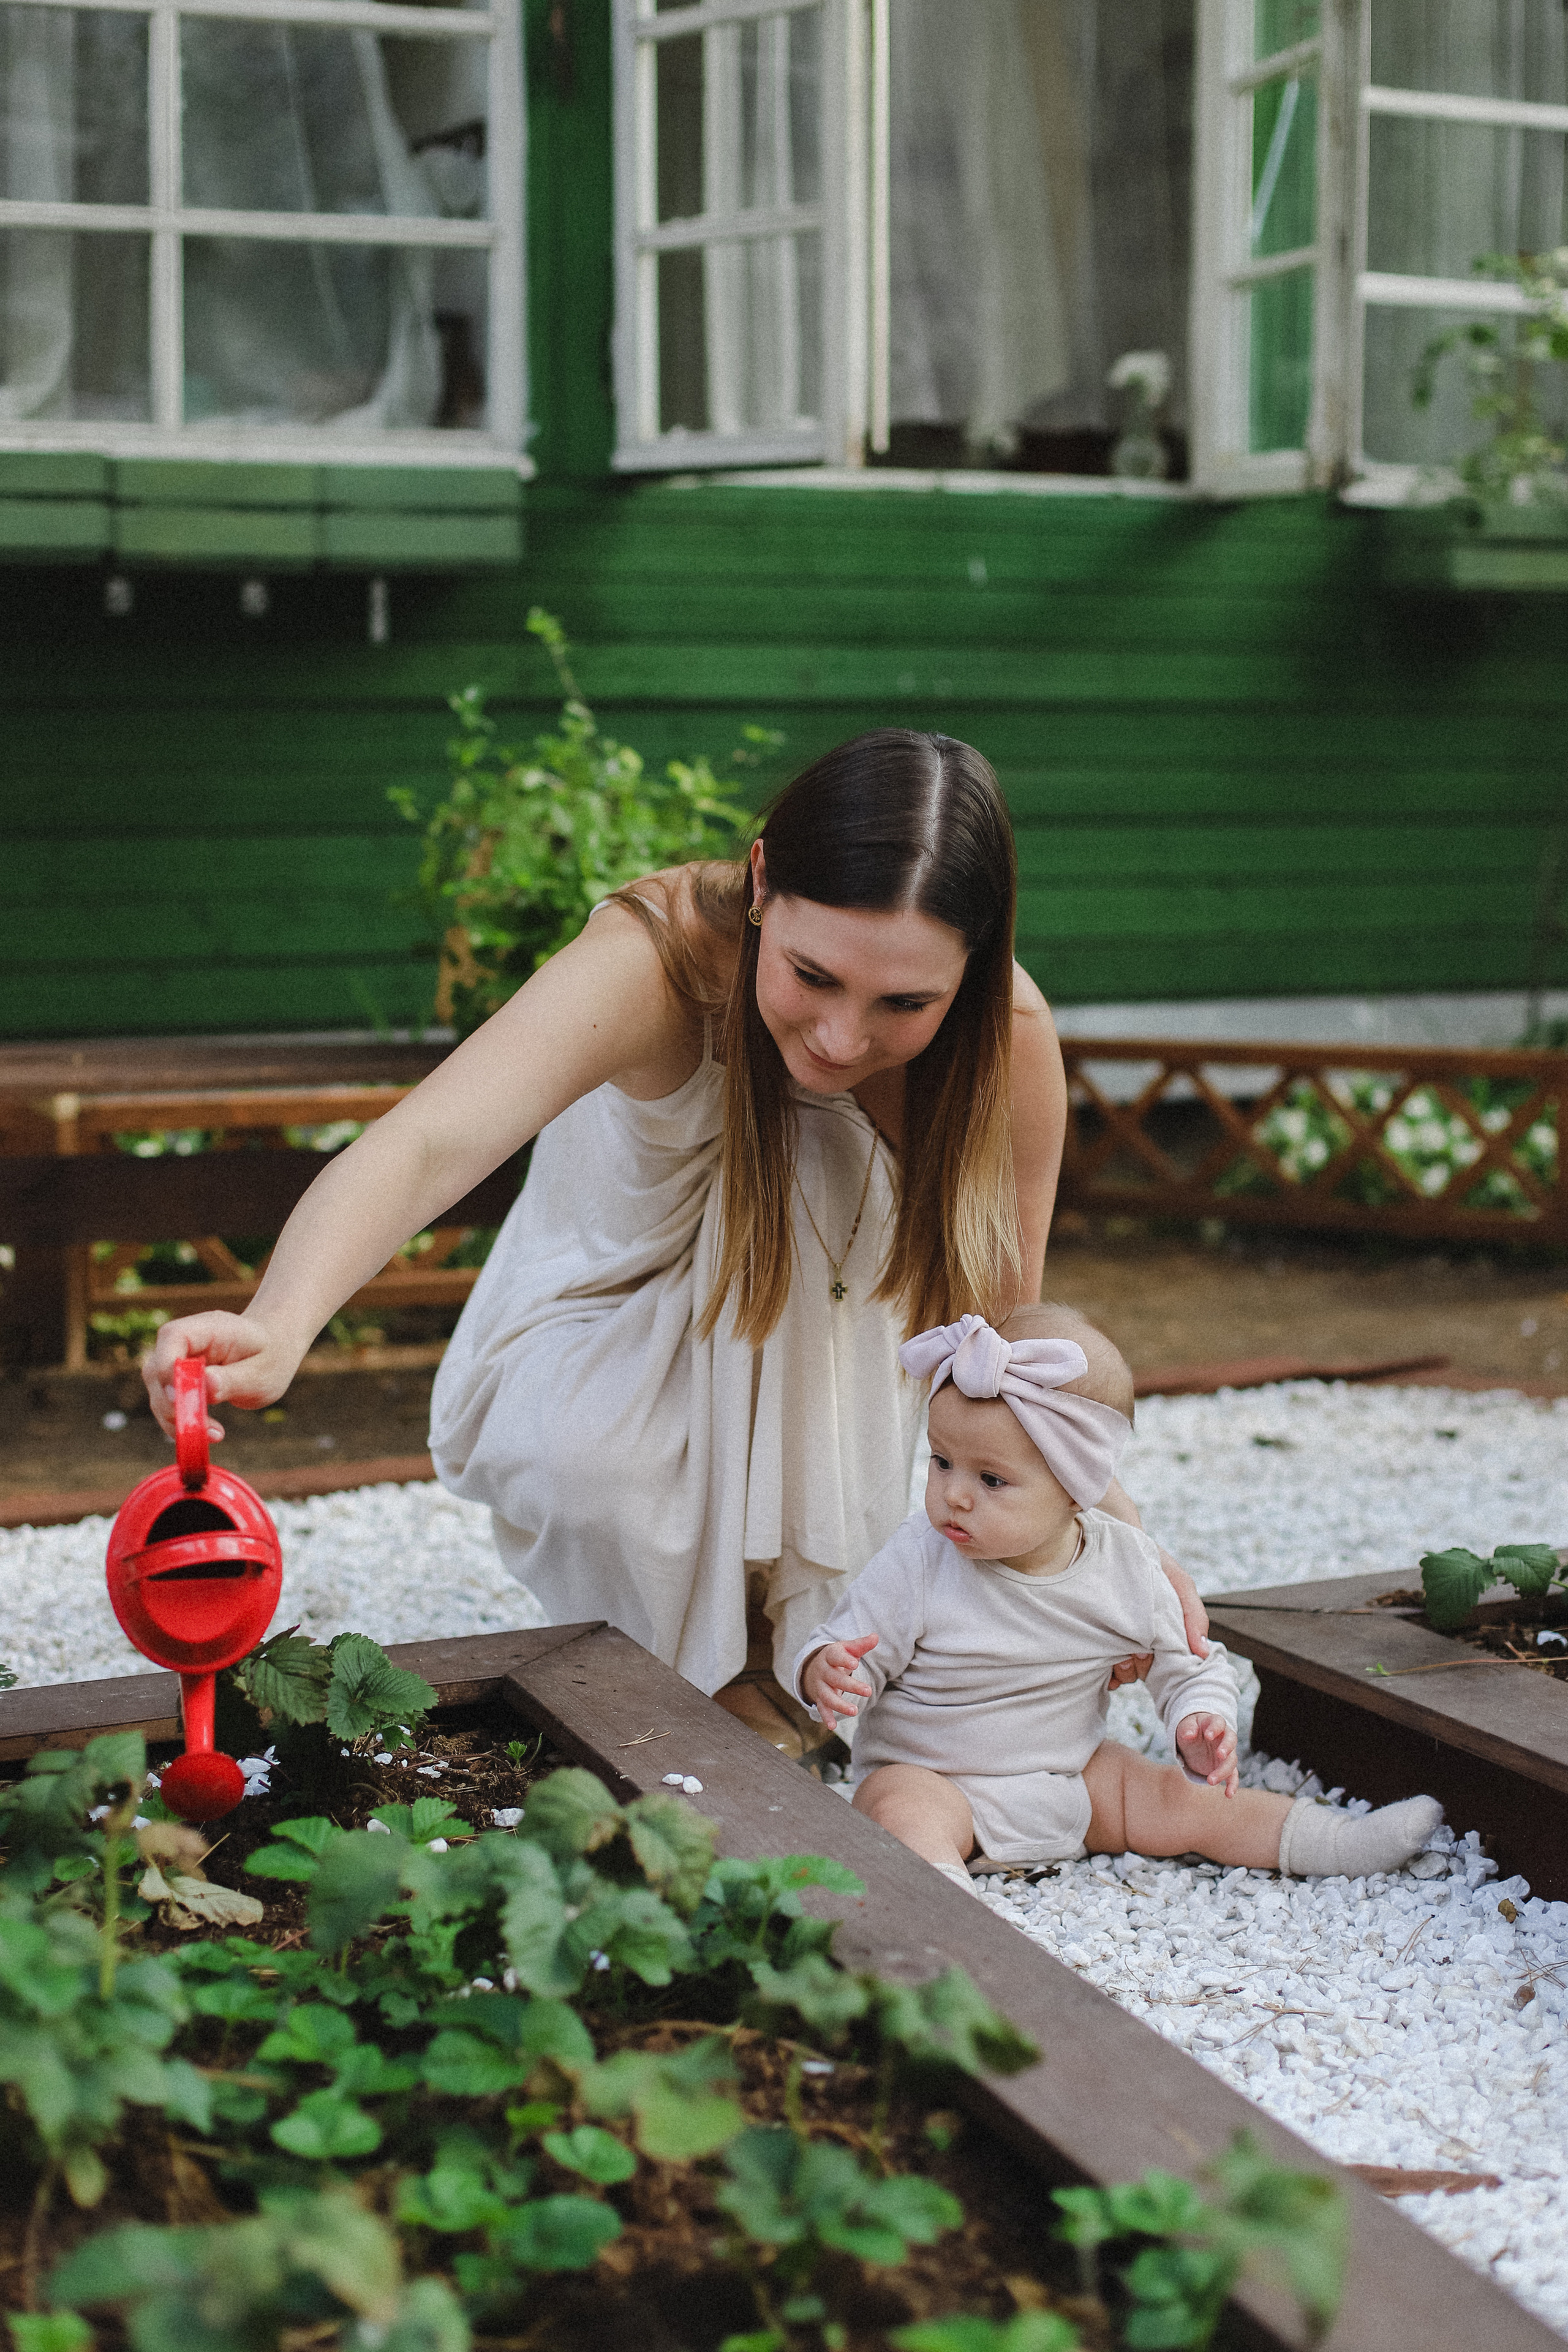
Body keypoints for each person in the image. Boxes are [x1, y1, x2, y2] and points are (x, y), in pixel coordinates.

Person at [143, 729, 1207, 1705]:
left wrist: (1102, 1536)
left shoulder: (1006, 1039)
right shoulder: (656, 962)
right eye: (813, 976)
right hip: (608, 1337)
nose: (841, 1039)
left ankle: (794, 1648)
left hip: (851, 1359)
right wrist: (281, 1323)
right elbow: (431, 1141)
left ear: (970, 970)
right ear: (759, 884)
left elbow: (1004, 1336)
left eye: (904, 1005)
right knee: (606, 1473)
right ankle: (713, 1664)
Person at [796, 1305, 1442, 1894]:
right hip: (936, 1777)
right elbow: (848, 1640)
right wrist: (829, 1669)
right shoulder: (920, 1559)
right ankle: (940, 1900)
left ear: (1075, 1491)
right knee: (896, 1806)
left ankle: (1331, 1841)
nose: (954, 1495)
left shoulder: (1123, 1567)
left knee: (1176, 1797)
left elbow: (1188, 1659)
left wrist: (1199, 1716)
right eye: (941, 1463)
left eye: (990, 1478)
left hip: (1069, 1781)